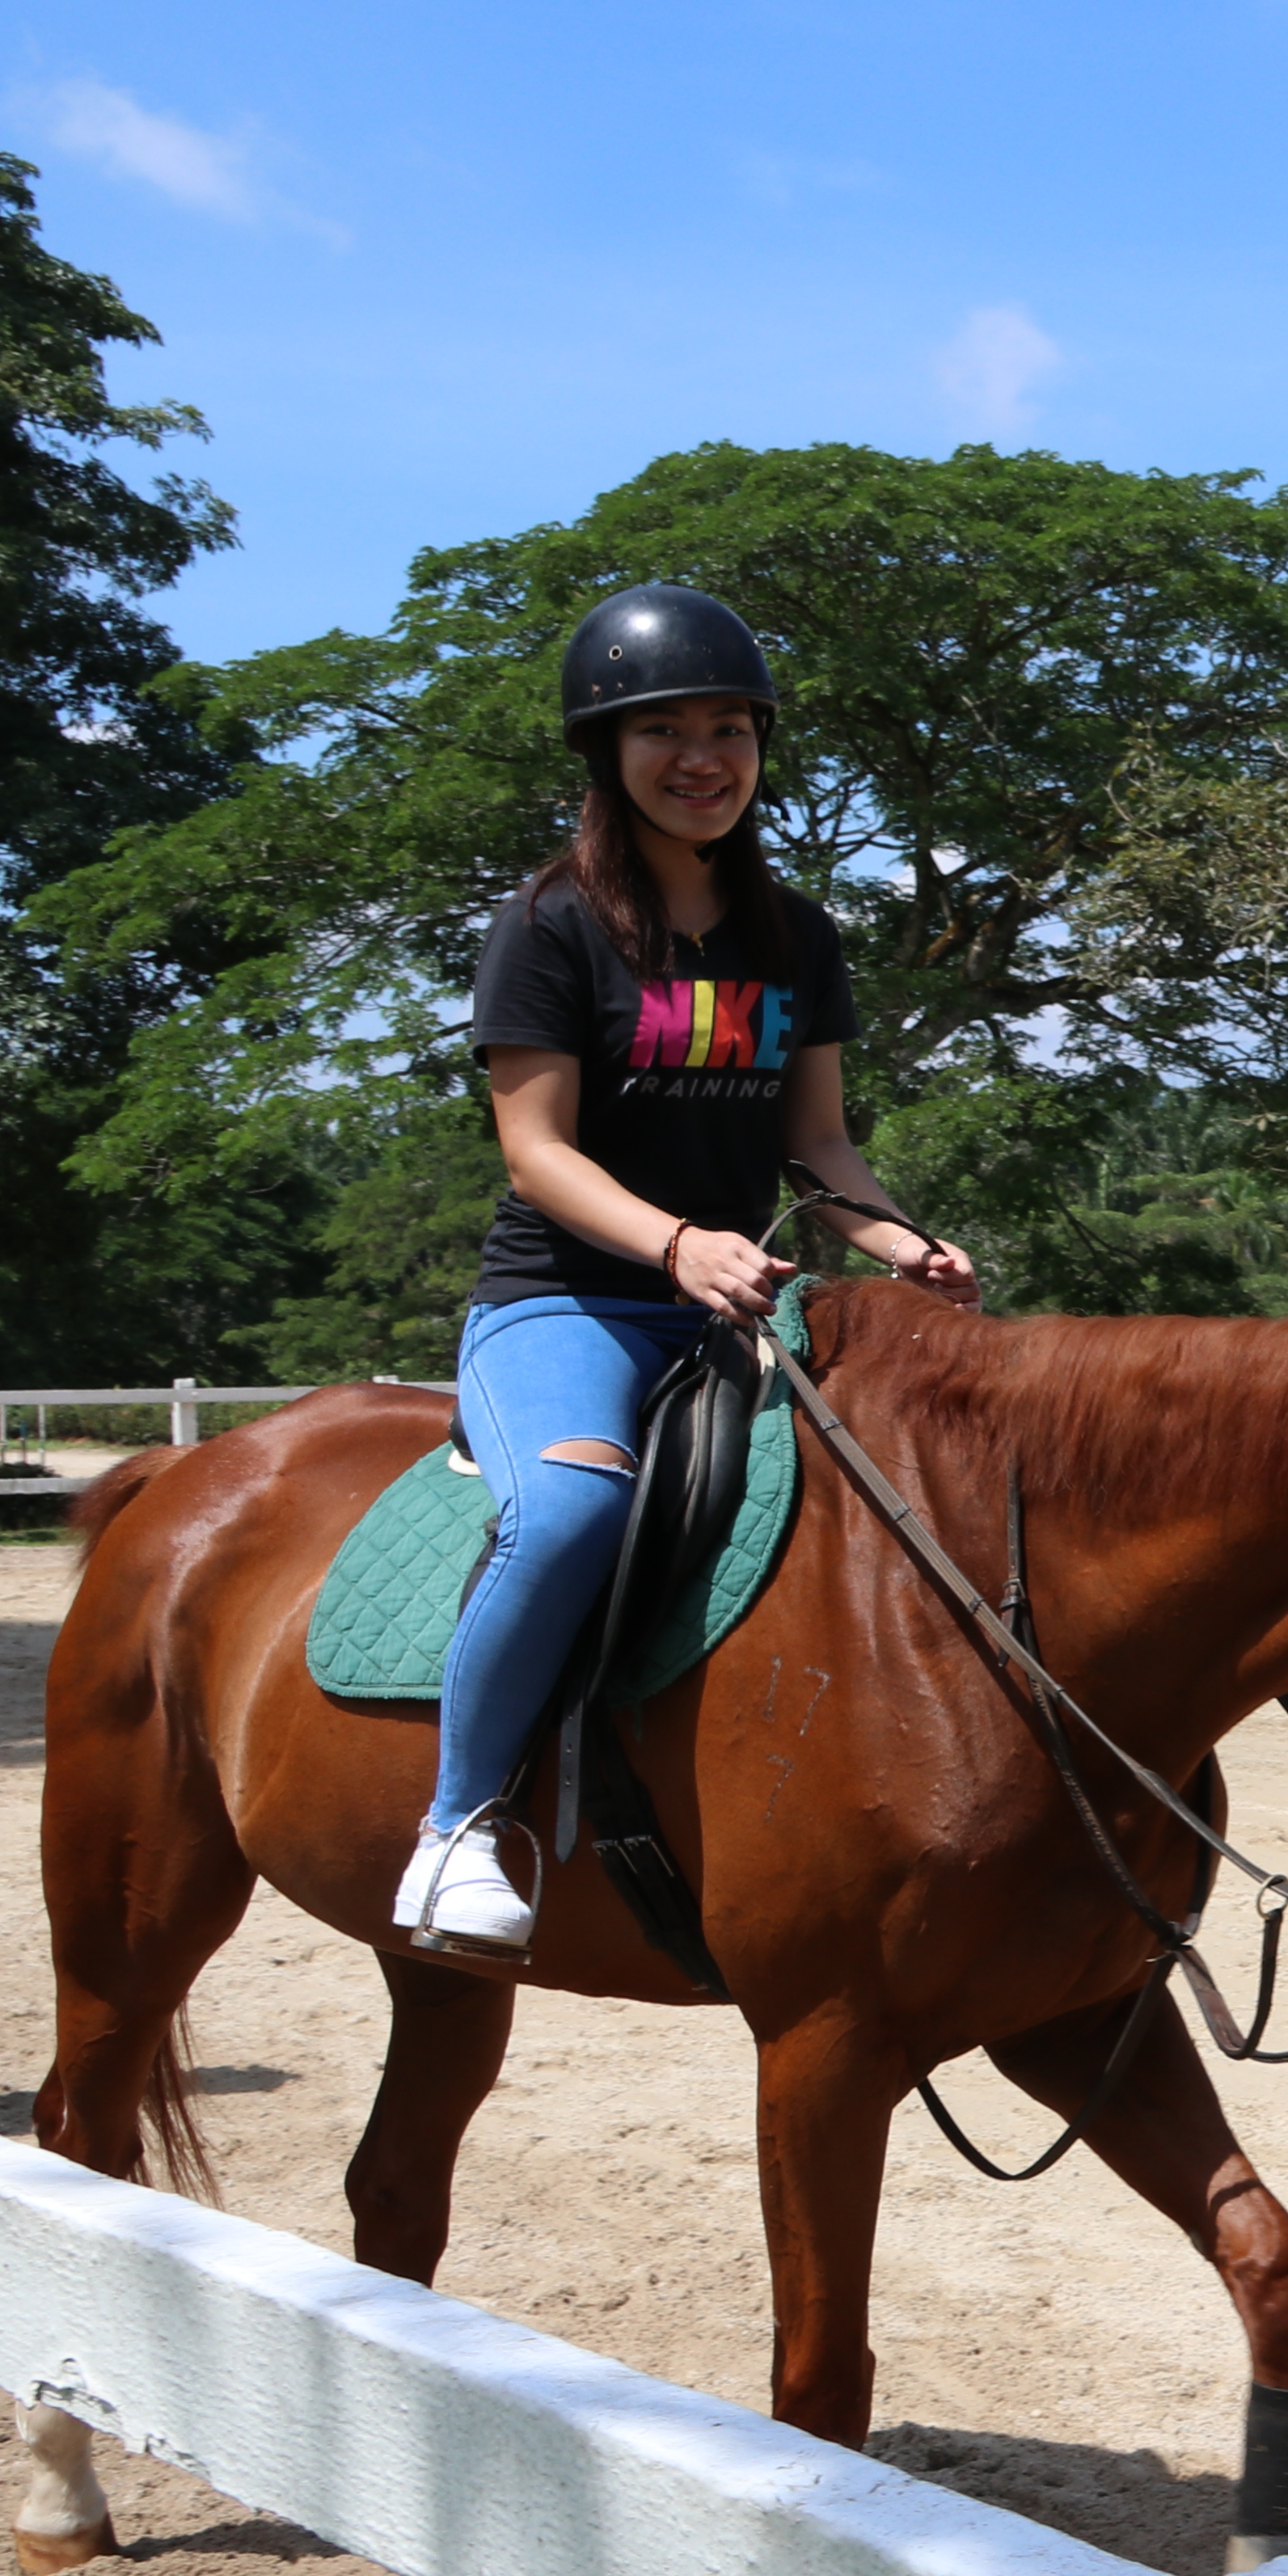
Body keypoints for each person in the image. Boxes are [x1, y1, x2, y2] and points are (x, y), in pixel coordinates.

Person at [395, 585, 979, 1961]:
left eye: (730, 729)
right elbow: (536, 1151)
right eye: (664, 730)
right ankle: (456, 1826)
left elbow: (817, 1143)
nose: (702, 757)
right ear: (609, 752)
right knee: (572, 1513)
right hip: (567, 1302)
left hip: (740, 1302)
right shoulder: (549, 925)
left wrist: (904, 1243)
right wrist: (674, 1242)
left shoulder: (797, 935)